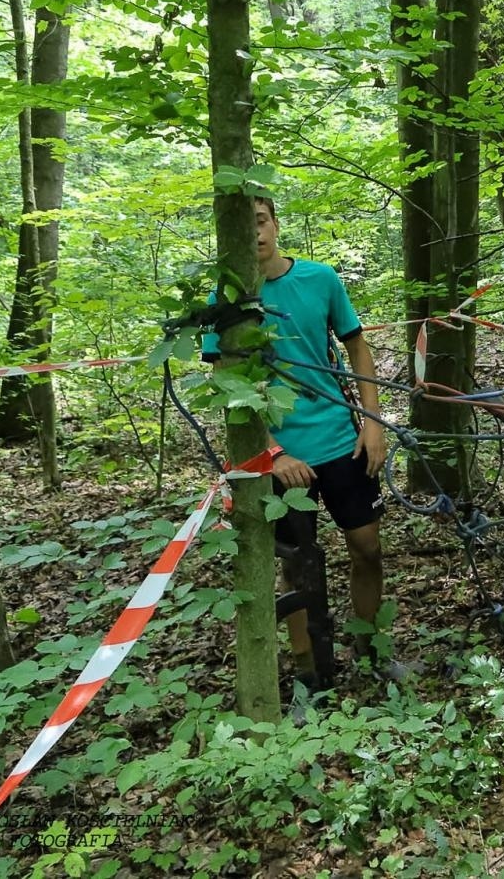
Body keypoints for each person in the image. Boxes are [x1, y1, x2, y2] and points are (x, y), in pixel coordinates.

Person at [202, 195, 399, 687]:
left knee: (367, 545)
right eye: (244, 230)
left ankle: (370, 649)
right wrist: (274, 451)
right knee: (296, 564)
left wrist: (372, 422)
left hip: (339, 438)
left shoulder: (320, 278)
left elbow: (357, 345)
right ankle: (309, 669)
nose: (257, 235)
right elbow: (227, 380)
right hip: (277, 454)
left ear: (275, 222)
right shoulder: (224, 299)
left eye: (262, 222)